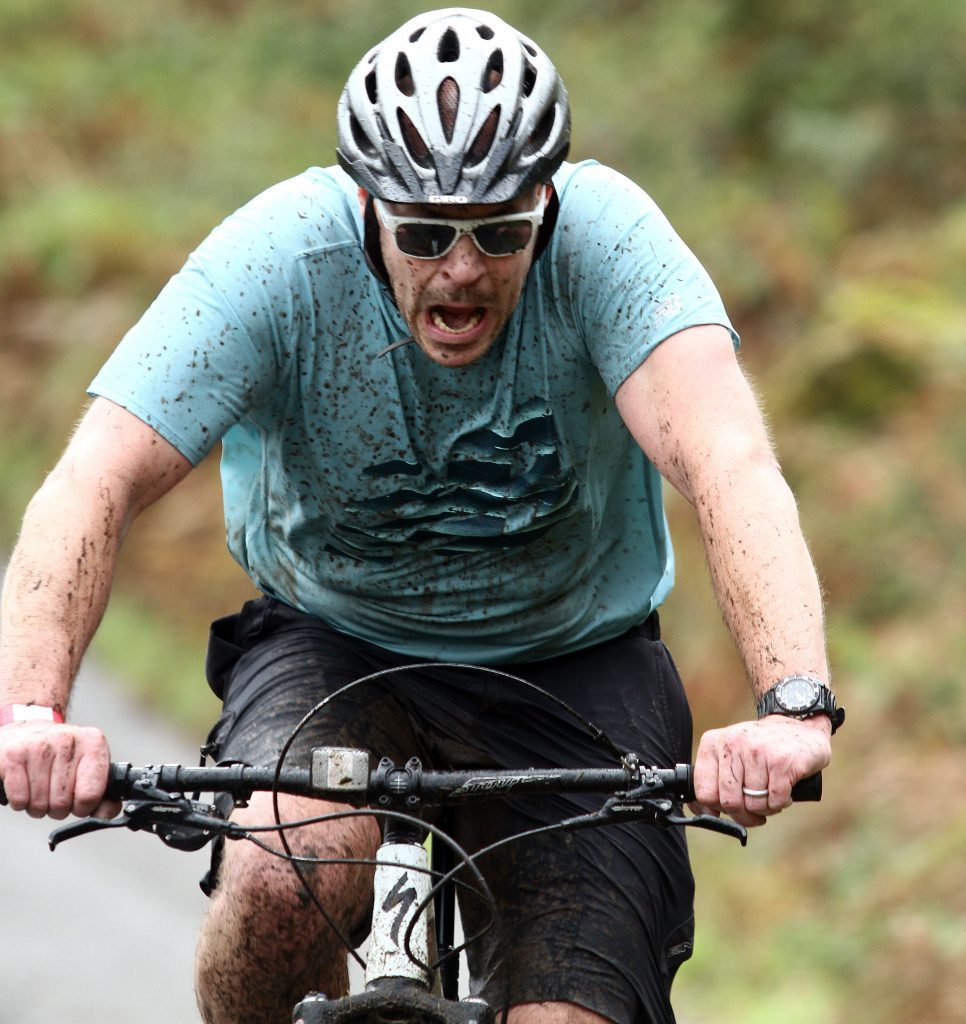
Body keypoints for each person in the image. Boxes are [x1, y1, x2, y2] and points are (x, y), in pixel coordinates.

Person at [0, 8, 843, 1024]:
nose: (461, 267)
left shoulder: (614, 246)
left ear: (546, 206)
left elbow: (731, 461)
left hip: (575, 663)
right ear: (365, 206)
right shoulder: (277, 260)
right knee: (281, 877)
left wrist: (791, 701)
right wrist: (33, 715)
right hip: (333, 644)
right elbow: (95, 478)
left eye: (499, 232)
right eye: (424, 231)